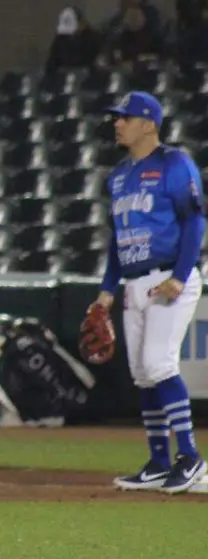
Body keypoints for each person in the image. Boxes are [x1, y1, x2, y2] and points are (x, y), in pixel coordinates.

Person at [97, 92, 206, 495]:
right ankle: (159, 461)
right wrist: (107, 290)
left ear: (148, 123)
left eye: (125, 118)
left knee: (159, 365)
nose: (117, 124)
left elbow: (194, 221)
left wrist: (179, 276)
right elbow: (117, 238)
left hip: (168, 278)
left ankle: (190, 458)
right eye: (117, 118)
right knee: (143, 375)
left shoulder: (175, 164)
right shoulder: (118, 176)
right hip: (134, 282)